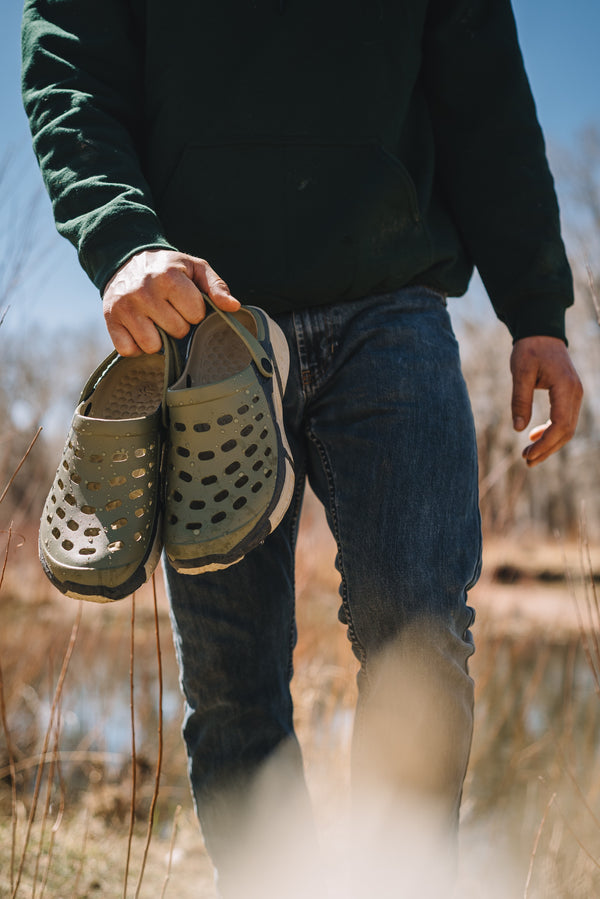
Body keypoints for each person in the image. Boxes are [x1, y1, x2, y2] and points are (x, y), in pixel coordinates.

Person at [22, 1, 583, 895]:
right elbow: (68, 60)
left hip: (390, 301)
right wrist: (121, 236)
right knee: (232, 685)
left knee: (421, 638)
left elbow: (488, 101)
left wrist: (537, 311)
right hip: (204, 323)